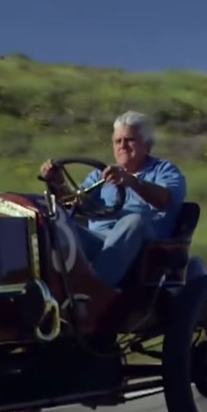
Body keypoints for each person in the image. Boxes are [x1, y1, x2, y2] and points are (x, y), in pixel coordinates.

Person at [39, 110, 188, 287]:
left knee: (134, 221)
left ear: (147, 144)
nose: (123, 146)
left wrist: (132, 181)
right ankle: (43, 288)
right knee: (53, 227)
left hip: (146, 247)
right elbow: (76, 201)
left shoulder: (164, 170)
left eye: (130, 140)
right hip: (98, 240)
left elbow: (165, 199)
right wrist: (58, 183)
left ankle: (94, 288)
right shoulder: (100, 175)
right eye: (118, 141)